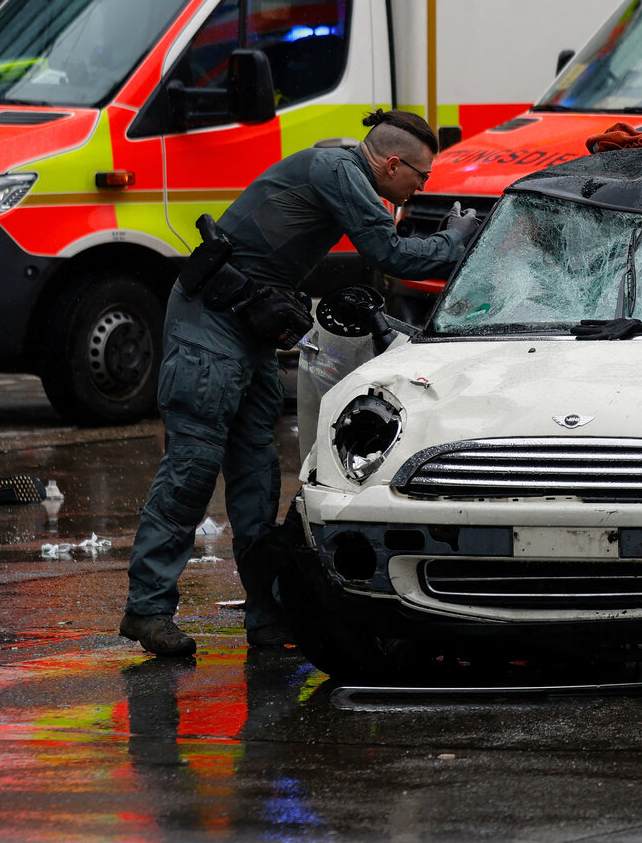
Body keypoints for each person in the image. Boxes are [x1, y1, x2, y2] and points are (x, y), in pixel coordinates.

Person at [120, 108, 479, 658]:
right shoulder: (340, 172)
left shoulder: (342, 171)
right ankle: (147, 611)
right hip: (209, 327)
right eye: (421, 177)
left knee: (257, 481)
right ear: (392, 162)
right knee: (192, 471)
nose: (421, 187)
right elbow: (389, 254)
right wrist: (455, 239)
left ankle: (268, 619)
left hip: (244, 327)